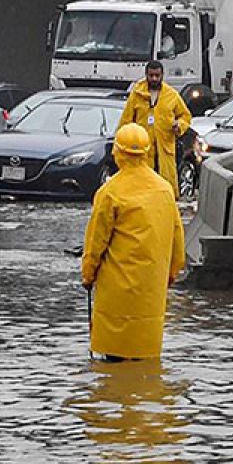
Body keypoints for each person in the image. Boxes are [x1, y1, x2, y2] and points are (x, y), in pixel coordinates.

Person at [81, 123, 185, 362]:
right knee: (145, 360)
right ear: (147, 153)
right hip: (151, 291)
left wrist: (88, 275)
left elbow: (95, 243)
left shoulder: (110, 192)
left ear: (118, 153)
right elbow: (177, 240)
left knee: (113, 361)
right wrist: (170, 275)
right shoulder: (164, 190)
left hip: (116, 293)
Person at [118, 60, 192, 199]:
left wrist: (179, 125)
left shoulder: (172, 95)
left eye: (157, 75)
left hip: (165, 149)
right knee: (143, 189)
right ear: (146, 75)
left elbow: (185, 116)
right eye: (151, 75)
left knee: (166, 188)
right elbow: (126, 121)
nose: (154, 79)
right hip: (143, 150)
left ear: (162, 75)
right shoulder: (137, 94)